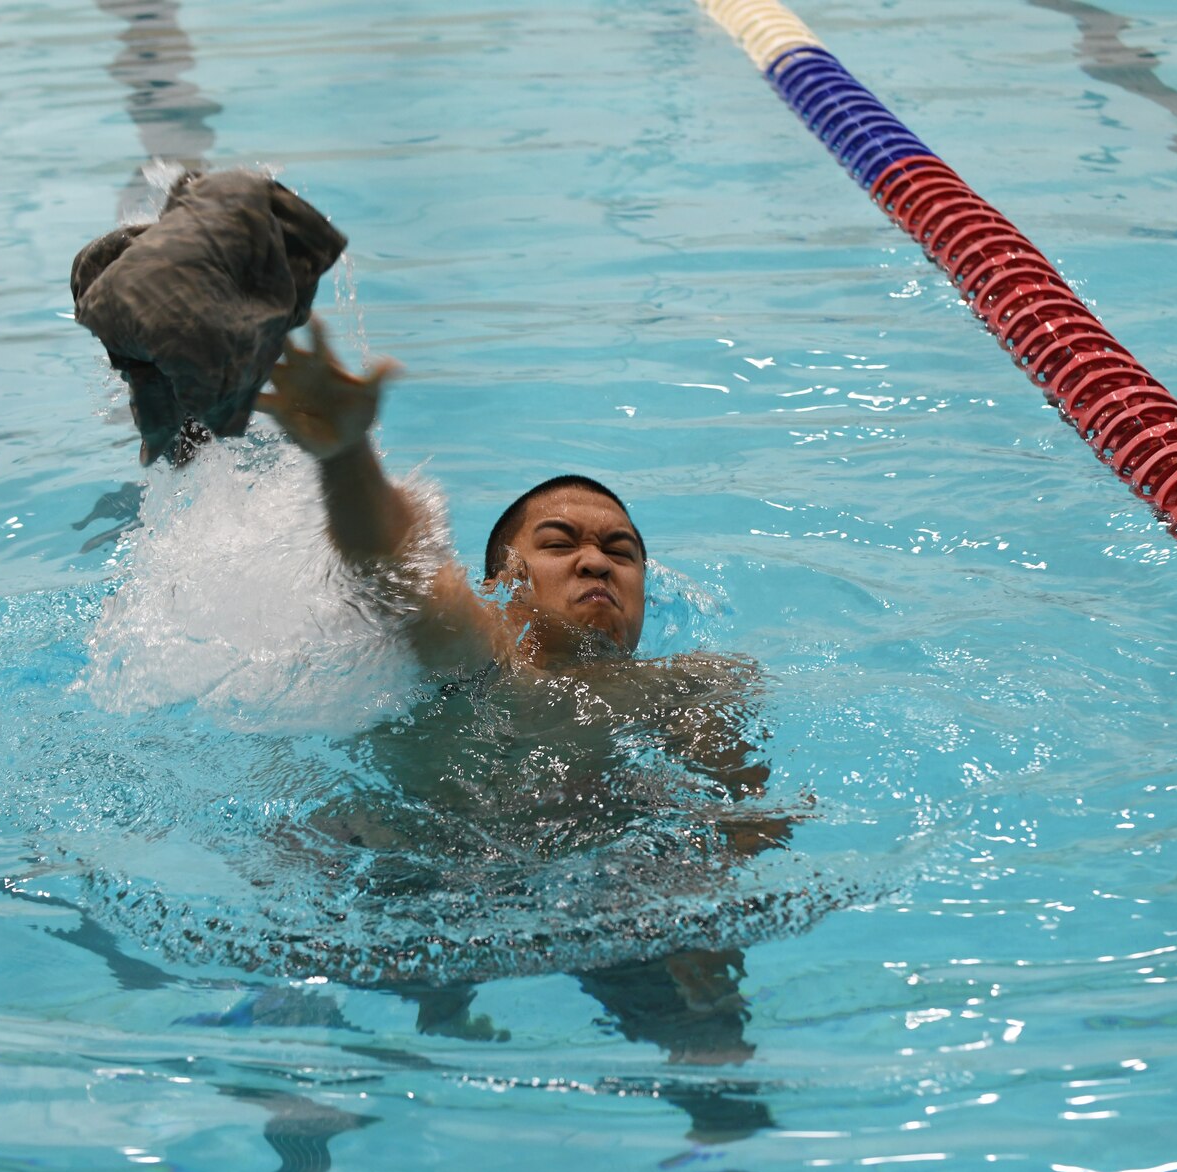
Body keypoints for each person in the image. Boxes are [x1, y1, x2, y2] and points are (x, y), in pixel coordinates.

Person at [253, 317, 790, 855]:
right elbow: (401, 572)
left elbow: (748, 828)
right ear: (502, 582)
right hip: (392, 865)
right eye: (560, 544)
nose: (596, 563)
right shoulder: (480, 660)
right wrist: (347, 457)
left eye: (620, 552)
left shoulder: (688, 688)